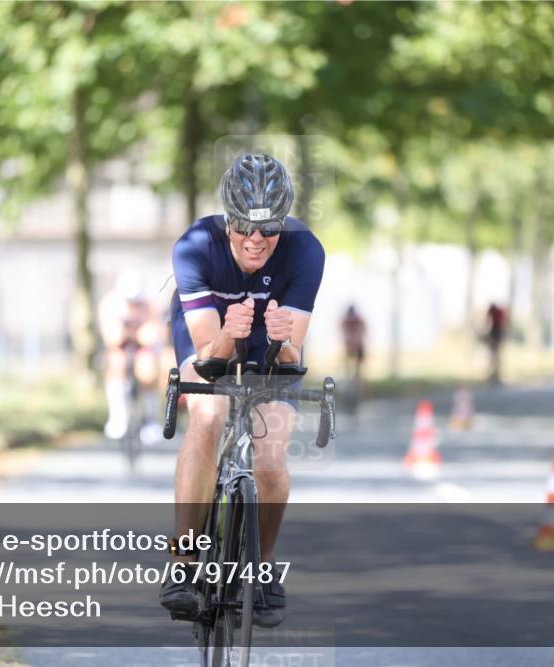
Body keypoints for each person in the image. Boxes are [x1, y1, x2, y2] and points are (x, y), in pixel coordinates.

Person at [158, 153, 325, 628]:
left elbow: (293, 357)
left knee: (271, 456)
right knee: (208, 419)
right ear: (227, 219)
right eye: (244, 228)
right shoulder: (195, 246)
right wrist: (231, 334)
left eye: (268, 229)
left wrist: (282, 340)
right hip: (211, 334)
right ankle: (185, 566)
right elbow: (210, 356)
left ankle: (264, 568)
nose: (255, 240)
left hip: (268, 344)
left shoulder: (306, 250)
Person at [99, 273, 163, 444]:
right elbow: (111, 337)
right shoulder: (110, 304)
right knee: (116, 362)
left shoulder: (149, 306)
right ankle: (117, 416)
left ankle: (150, 419)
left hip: (144, 349)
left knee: (147, 368)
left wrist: (141, 335)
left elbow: (152, 334)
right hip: (120, 348)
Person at [340, 305, 367, 408]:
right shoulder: (344, 320)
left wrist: (356, 341)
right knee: (347, 370)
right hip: (349, 346)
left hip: (359, 347)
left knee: (359, 374)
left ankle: (360, 399)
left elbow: (361, 333)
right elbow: (344, 334)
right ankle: (347, 391)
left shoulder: (360, 320)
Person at [484, 302, 508, 383]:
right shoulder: (499, 312)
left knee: (494, 354)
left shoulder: (495, 312)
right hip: (497, 333)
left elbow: (488, 322)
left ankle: (495, 373)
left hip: (496, 333)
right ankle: (495, 373)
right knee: (495, 354)